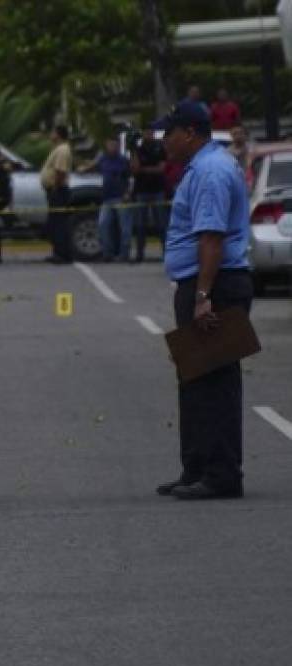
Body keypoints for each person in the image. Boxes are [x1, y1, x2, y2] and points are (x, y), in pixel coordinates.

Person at [154, 101, 252, 500]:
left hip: (216, 285)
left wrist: (202, 297)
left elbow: (211, 238)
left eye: (169, 133)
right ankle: (196, 467)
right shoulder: (201, 167)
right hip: (204, 283)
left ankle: (222, 474)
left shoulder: (211, 172)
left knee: (214, 382)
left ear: (190, 133)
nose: (164, 142)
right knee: (194, 380)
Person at [79, 137, 131, 262]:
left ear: (118, 146)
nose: (112, 147)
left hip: (120, 197)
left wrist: (128, 193)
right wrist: (82, 169)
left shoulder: (123, 160)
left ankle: (124, 254)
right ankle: (108, 253)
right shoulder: (103, 159)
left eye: (114, 145)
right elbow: (91, 166)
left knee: (125, 228)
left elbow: (130, 178)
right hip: (107, 198)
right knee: (103, 225)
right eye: (110, 145)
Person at [130, 133, 168, 262]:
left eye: (150, 132)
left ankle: (166, 253)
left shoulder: (159, 148)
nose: (148, 135)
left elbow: (161, 169)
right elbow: (135, 169)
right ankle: (139, 254)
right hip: (142, 190)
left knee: (161, 224)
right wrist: (133, 149)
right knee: (140, 225)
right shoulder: (139, 150)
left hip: (157, 189)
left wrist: (144, 169)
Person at [40, 125, 74, 263]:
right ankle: (57, 252)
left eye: (53, 132)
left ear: (59, 134)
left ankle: (62, 254)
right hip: (54, 189)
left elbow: (60, 171)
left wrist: (55, 187)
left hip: (58, 190)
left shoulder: (62, 150)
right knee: (54, 223)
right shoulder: (57, 149)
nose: (51, 134)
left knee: (59, 224)